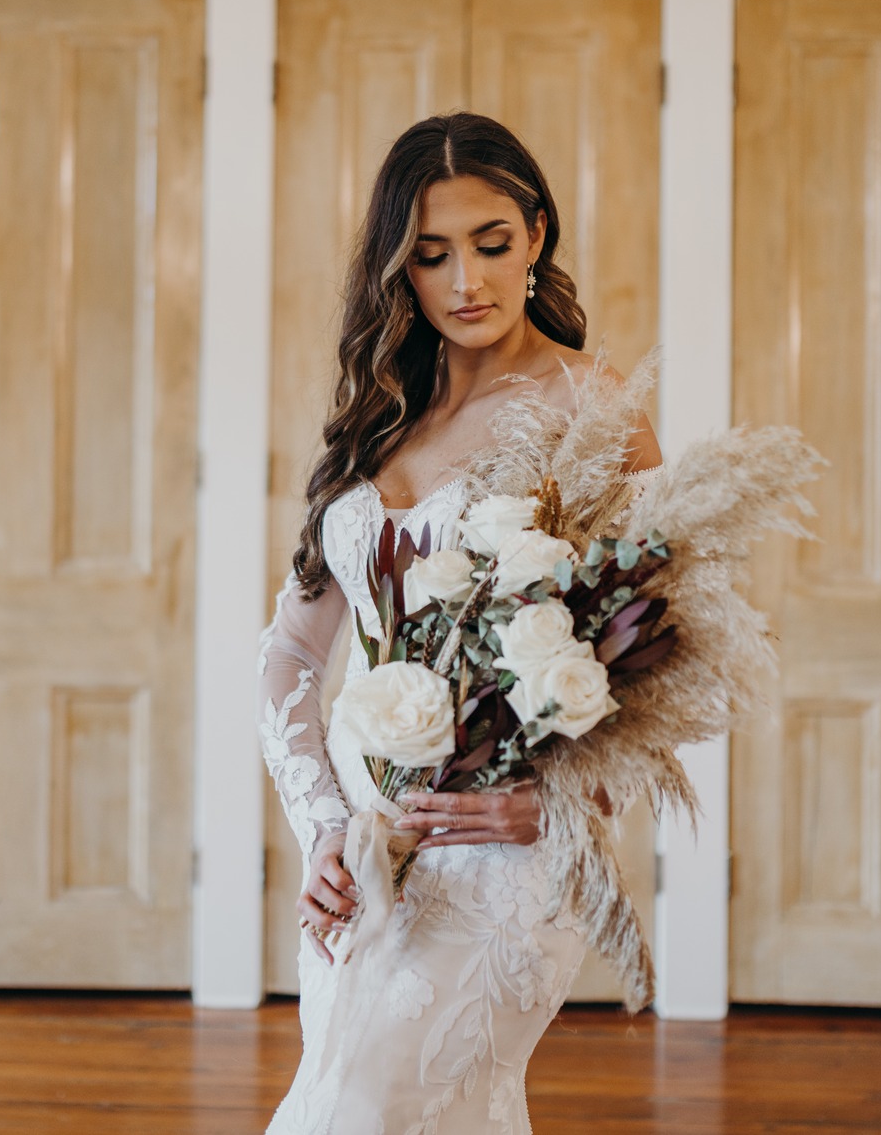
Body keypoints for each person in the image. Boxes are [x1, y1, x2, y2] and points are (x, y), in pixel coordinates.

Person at [259, 112, 661, 1134]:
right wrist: (319, 833)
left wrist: (567, 805)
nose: (465, 280)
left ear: (534, 233)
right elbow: (295, 649)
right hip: (363, 848)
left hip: (505, 853)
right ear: (400, 268)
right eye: (431, 255)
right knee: (361, 1098)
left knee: (370, 1108)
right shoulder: (381, 410)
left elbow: (667, 647)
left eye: (490, 242)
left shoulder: (592, 408)